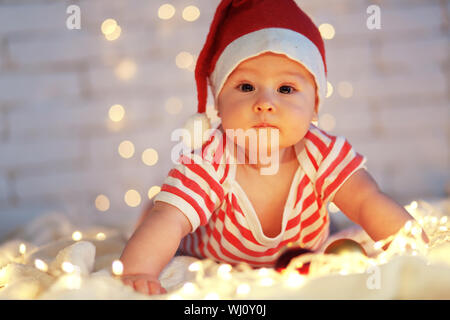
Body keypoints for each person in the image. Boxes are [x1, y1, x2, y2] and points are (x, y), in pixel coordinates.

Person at [119, 0, 428, 295]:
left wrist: (413, 248)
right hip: (215, 252)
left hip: (301, 245)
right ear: (219, 103)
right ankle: (150, 205)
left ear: (314, 105)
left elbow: (365, 199)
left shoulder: (321, 152)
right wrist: (140, 272)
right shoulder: (211, 158)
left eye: (286, 89)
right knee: (163, 210)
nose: (265, 103)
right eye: (246, 87)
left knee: (337, 221)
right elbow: (170, 219)